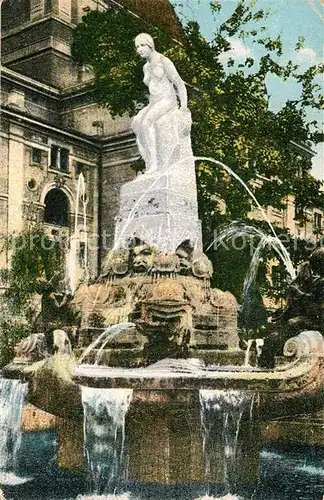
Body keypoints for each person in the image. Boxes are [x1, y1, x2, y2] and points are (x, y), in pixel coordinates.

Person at [132, 33, 190, 173]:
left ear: (150, 45)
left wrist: (183, 106)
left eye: (142, 45)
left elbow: (179, 83)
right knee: (136, 123)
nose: (139, 49)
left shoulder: (163, 61)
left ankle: (154, 163)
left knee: (147, 123)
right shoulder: (145, 67)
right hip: (154, 102)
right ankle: (148, 161)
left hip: (168, 99)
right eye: (137, 47)